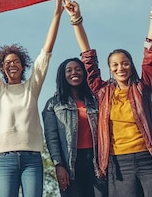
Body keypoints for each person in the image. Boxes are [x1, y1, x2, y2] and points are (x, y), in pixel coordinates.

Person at [64, 0, 152, 196]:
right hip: (118, 164)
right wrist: (77, 20)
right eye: (115, 65)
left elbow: (150, 54)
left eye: (125, 63)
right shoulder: (103, 92)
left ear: (131, 65)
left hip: (149, 159)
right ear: (110, 70)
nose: (120, 68)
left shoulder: (143, 87)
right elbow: (88, 58)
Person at [0, 0, 63, 197]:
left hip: (32, 158)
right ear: (2, 68)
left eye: (16, 61)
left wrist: (58, 13)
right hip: (5, 159)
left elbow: (46, 53)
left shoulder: (32, 87)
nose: (11, 64)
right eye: (7, 62)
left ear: (23, 65)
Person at [42, 58, 107, 197]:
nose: (74, 73)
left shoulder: (95, 101)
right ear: (62, 75)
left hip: (95, 162)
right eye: (69, 70)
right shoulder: (53, 104)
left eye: (78, 69)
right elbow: (51, 138)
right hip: (69, 162)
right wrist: (58, 165)